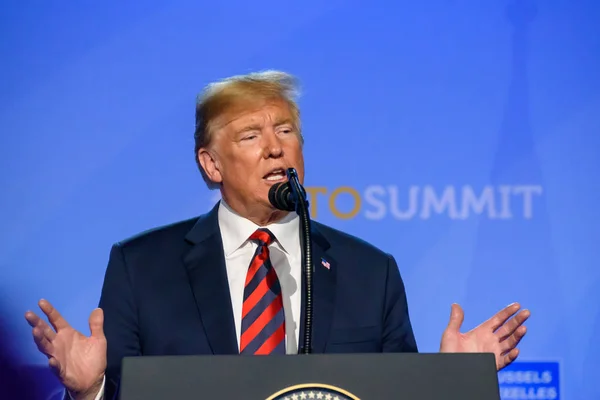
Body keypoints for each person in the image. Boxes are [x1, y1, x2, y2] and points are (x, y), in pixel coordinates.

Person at [24, 70, 530, 400]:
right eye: (251, 135)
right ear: (211, 163)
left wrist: (451, 385)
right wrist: (88, 391)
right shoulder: (142, 267)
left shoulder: (369, 272)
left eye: (285, 131)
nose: (275, 149)